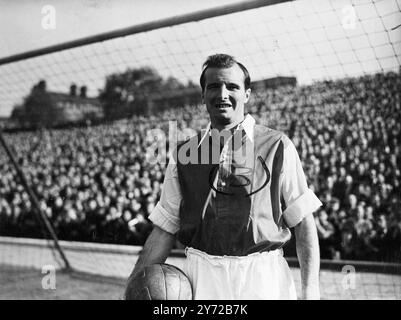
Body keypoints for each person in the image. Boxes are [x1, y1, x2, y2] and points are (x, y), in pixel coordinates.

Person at [125, 54, 322, 300]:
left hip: (263, 276)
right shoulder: (185, 153)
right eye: (214, 86)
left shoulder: (277, 145)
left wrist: (310, 292)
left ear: (247, 94)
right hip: (203, 277)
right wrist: (131, 288)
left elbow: (303, 221)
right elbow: (164, 229)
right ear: (203, 95)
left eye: (232, 86)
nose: (223, 94)